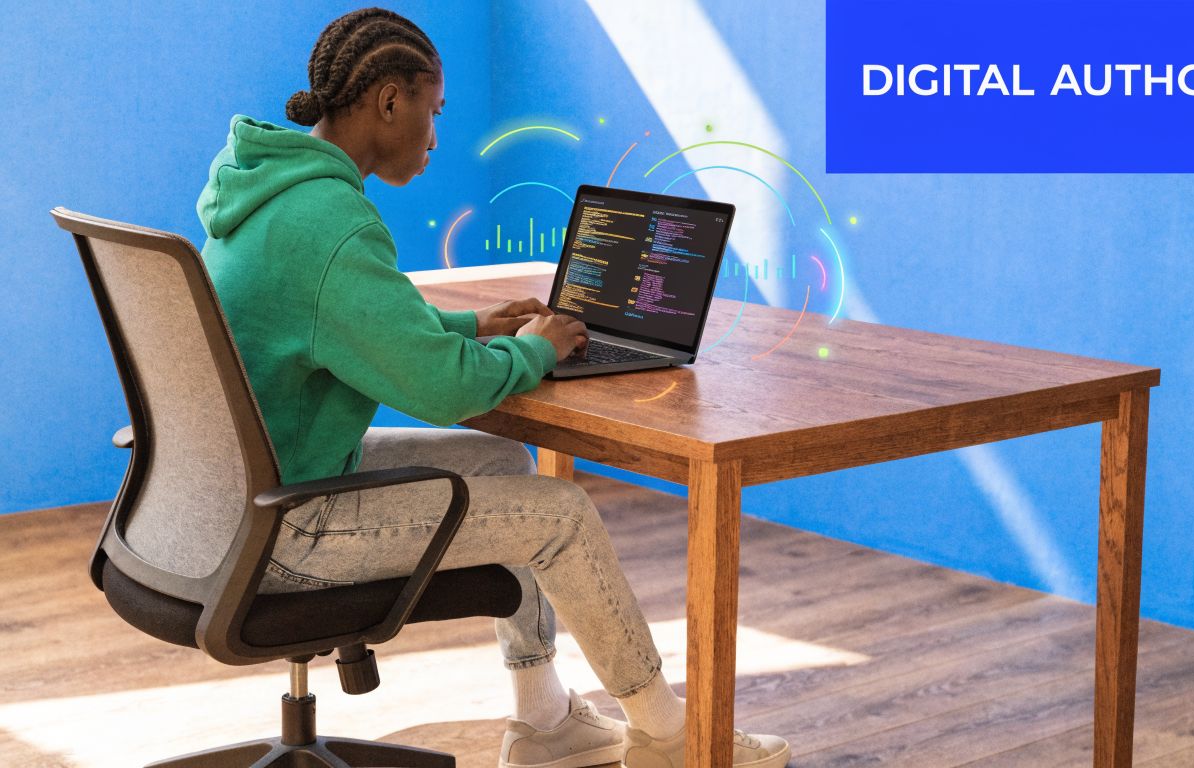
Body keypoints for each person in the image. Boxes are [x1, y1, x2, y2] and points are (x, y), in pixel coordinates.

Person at [197, 8, 790, 768]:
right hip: (287, 529)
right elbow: (446, 391)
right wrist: (533, 352)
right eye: (432, 109)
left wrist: (478, 327)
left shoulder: (271, 193)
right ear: (388, 101)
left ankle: (544, 724)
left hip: (238, 497)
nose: (436, 135)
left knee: (506, 466)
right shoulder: (334, 222)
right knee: (562, 512)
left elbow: (345, 317)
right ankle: (676, 738)